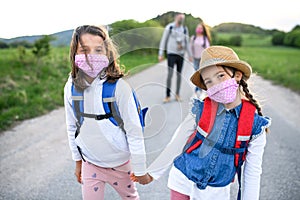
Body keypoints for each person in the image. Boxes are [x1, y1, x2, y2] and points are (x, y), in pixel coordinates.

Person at [145, 46, 271, 200]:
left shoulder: (255, 125)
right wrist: (152, 173)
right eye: (209, 81)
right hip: (182, 181)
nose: (216, 85)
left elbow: (252, 172)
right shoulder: (200, 109)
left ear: (237, 75)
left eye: (220, 76)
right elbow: (177, 142)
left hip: (214, 194)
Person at [63, 25, 152, 200]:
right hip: (91, 163)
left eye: (98, 50)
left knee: (130, 197)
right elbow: (71, 126)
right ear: (74, 53)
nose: (92, 56)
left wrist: (140, 169)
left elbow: (134, 132)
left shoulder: (119, 88)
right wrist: (78, 161)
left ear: (108, 54)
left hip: (120, 164)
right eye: (84, 50)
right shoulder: (71, 88)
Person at [158, 12, 193, 103]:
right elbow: (163, 40)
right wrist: (161, 53)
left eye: (183, 18)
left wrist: (190, 55)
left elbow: (187, 43)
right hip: (171, 54)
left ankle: (177, 94)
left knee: (179, 75)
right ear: (176, 17)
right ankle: (167, 95)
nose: (181, 19)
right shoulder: (170, 27)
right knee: (170, 75)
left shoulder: (184, 29)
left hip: (181, 54)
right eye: (180, 17)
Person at [190, 22, 211, 96]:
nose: (199, 29)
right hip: (195, 59)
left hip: (202, 59)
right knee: (197, 74)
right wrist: (190, 56)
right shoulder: (193, 38)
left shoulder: (205, 39)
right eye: (198, 27)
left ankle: (198, 90)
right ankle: (198, 89)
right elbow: (191, 48)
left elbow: (207, 49)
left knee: (201, 74)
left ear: (203, 30)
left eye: (200, 28)